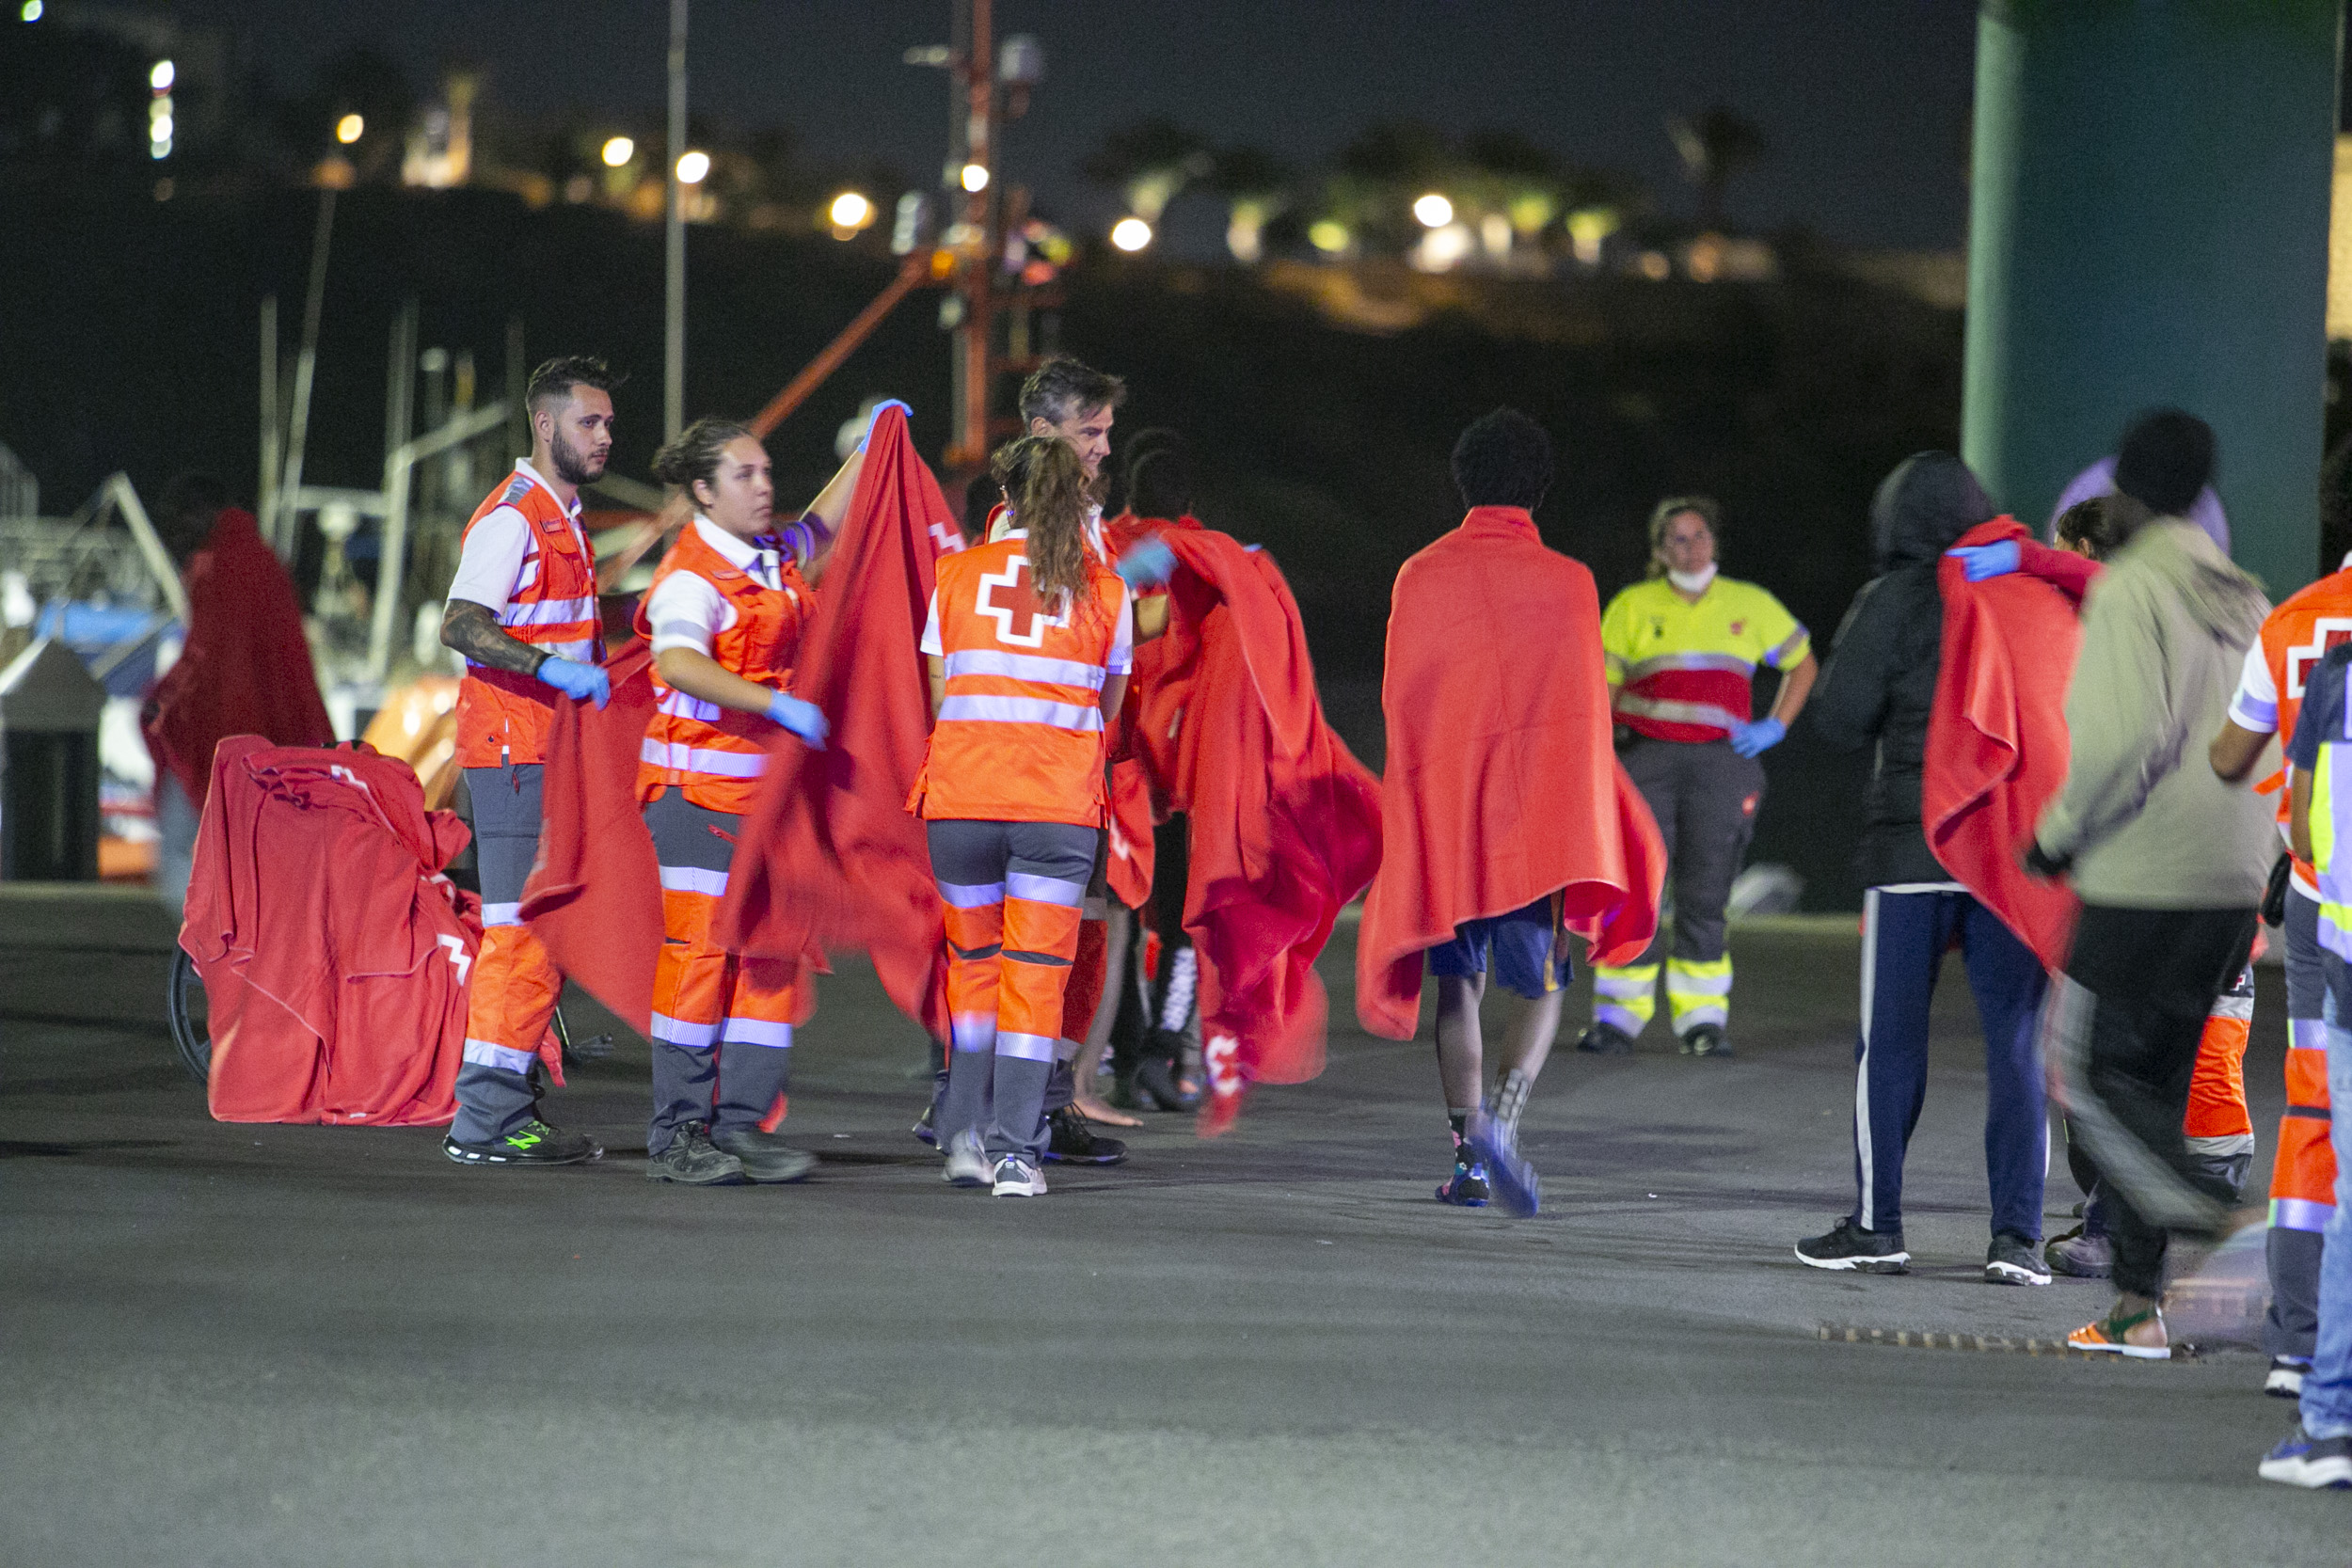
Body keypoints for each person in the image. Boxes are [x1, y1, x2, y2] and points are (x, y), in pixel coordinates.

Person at [1356, 408, 1664, 1217]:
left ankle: (1469, 1157)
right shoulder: (1571, 582)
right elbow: (1582, 716)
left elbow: (1404, 703)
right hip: (1536, 828)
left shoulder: (1419, 574)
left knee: (1458, 988)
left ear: (1463, 481)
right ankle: (1508, 1120)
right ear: (1540, 486)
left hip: (1450, 819)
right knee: (1546, 983)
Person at [2022, 410, 2272, 1357]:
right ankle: (2136, 1306)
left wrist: (2055, 834)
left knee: (2085, 1068)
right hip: (2234, 878)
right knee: (2153, 1086)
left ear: (2124, 489)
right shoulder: (2247, 594)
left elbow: (2125, 735)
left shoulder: (2131, 590)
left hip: (2148, 872)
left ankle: (2230, 1221)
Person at [1797, 453, 2053, 1286]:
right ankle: (2017, 1238)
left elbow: (1837, 717)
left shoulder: (1892, 599)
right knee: (2016, 1045)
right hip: (2006, 854)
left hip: (1911, 850)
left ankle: (1880, 1226)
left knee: (1892, 1045)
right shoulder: (2022, 592)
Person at [630, 416, 849, 1184]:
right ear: (701, 490)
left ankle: (742, 1124)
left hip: (762, 801)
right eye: (745, 476)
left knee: (770, 956)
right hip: (697, 796)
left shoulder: (764, 558)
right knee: (700, 958)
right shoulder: (692, 575)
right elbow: (680, 661)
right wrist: (774, 704)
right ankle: (677, 1134)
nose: (766, 487)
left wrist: (872, 447)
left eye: (766, 472)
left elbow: (823, 522)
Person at [916, 434, 1134, 1197]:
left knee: (972, 973)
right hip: (1055, 808)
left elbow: (942, 696)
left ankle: (964, 1137)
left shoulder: (954, 577)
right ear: (1079, 503)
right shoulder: (1108, 591)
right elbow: (1107, 711)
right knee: (1036, 980)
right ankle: (1017, 1152)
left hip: (961, 801)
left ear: (1002, 500)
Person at [436, 356, 622, 1167]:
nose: (605, 436)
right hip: (516, 751)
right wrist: (554, 670)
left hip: (545, 750)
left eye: (608, 422)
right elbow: (461, 624)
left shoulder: (563, 514)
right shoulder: (513, 516)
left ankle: (503, 1103)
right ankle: (486, 1116)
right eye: (590, 422)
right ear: (545, 425)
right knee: (520, 931)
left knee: (538, 929)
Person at [1581, 497, 1815, 1058]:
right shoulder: (1633, 605)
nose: (1692, 546)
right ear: (1660, 551)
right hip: (1646, 761)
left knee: (1706, 895)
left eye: (1700, 535)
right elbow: (1603, 685)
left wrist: (1775, 727)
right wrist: (1601, 749)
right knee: (1635, 891)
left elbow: (1802, 662)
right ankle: (1617, 1019)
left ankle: (1702, 1022)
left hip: (1721, 764)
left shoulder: (1749, 603)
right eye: (1678, 539)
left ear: (1715, 541)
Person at [2209, 527, 2352, 1397]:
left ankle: (2297, 1339)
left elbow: (2232, 756)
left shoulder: (2294, 620)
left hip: (2314, 893)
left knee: (2311, 1099)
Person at [140, 473, 335, 919]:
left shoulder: (218, 564)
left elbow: (209, 658)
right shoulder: (258, 558)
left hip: (231, 738)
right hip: (277, 734)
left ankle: (208, 950)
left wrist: (163, 703)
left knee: (178, 848)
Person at [2259, 638, 2352, 1488]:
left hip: (2338, 945)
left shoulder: (2333, 661)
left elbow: (2302, 815)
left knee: (2324, 1137)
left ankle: (2325, 1408)